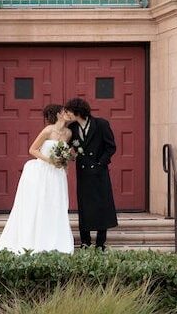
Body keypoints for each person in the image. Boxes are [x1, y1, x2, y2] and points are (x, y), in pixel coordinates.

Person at [0, 104, 75, 253]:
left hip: (58, 175)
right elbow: (32, 149)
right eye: (64, 111)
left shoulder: (68, 133)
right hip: (44, 171)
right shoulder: (47, 130)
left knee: (56, 204)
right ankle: (36, 238)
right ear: (58, 115)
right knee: (41, 203)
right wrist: (49, 160)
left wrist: (65, 163)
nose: (66, 114)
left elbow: (66, 152)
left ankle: (55, 239)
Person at [65, 97, 117, 249]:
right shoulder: (73, 128)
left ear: (77, 111)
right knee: (84, 206)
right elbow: (66, 146)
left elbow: (111, 147)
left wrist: (100, 164)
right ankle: (85, 241)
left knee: (102, 205)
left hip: (100, 172)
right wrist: (66, 156)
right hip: (83, 173)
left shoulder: (101, 124)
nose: (67, 114)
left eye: (69, 111)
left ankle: (101, 243)